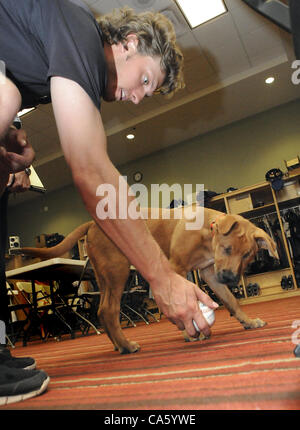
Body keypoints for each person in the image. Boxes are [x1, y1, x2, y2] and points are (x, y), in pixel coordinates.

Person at [0, 0, 218, 402]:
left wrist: (11, 135)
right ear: (129, 43)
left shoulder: (61, 45)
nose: (137, 98)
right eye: (146, 81)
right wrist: (162, 277)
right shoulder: (81, 31)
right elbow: (91, 171)